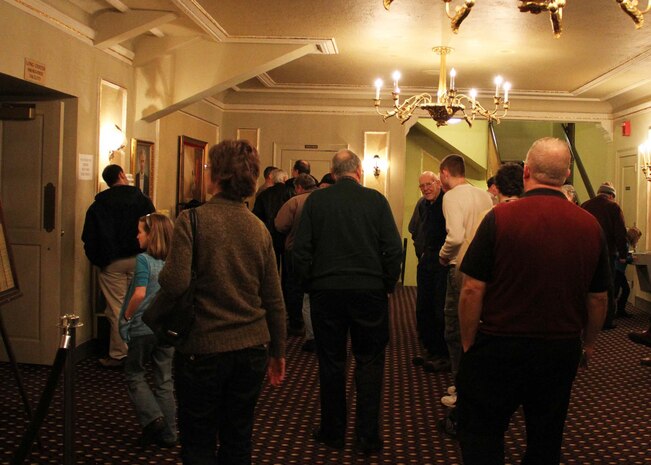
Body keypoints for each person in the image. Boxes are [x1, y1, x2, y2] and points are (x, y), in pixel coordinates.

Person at [455, 137, 609, 465]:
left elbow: (471, 288)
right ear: (567, 174)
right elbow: (597, 298)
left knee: (483, 431)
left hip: (500, 344)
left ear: (526, 171)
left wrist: (468, 342)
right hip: (560, 348)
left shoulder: (500, 218)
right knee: (545, 436)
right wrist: (589, 344)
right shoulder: (590, 226)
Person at [159, 140, 286, 465]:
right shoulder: (258, 228)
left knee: (198, 441)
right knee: (238, 438)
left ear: (217, 176)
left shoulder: (192, 220)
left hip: (203, 349)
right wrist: (278, 353)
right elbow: (274, 298)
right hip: (252, 350)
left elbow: (174, 283)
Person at [293, 149, 402, 454]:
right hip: (369, 291)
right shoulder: (376, 201)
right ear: (359, 171)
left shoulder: (316, 201)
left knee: (331, 362)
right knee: (369, 362)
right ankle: (367, 437)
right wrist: (387, 284)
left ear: (333, 171)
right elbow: (393, 249)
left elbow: (300, 251)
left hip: (326, 292)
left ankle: (333, 432)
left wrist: (310, 284)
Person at [82, 164, 155, 367]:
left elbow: (89, 237)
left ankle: (119, 353)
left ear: (107, 181)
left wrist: (100, 260)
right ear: (122, 175)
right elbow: (154, 229)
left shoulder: (98, 206)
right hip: (139, 259)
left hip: (112, 261)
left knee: (116, 308)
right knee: (138, 304)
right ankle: (138, 351)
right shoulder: (142, 201)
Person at [437, 154, 493, 413]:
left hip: (459, 266)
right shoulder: (483, 194)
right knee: (476, 327)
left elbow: (456, 236)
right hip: (482, 270)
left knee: (455, 328)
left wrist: (443, 254)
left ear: (445, 173)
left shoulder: (450, 196)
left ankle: (462, 387)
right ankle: (471, 383)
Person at [119, 213, 177, 448]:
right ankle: (170, 434)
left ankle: (154, 418)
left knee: (134, 373)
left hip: (144, 327)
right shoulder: (174, 261)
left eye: (141, 231)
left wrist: (126, 316)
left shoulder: (143, 260)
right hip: (166, 327)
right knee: (164, 380)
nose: (137, 235)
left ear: (151, 235)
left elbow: (140, 293)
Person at [408, 171, 449, 373]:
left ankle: (442, 355)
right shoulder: (423, 204)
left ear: (438, 182)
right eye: (422, 186)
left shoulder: (447, 202)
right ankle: (430, 350)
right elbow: (416, 229)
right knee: (423, 307)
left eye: (429, 184)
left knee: (438, 307)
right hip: (426, 261)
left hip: (442, 263)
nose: (425, 188)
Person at [274, 173, 318, 346]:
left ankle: (296, 322)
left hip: (295, 249)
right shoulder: (324, 199)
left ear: (298, 187)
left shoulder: (294, 202)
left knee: (294, 286)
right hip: (320, 251)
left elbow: (280, 225)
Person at [581, 182, 628, 326]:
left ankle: (586, 318)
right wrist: (623, 254)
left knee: (587, 286)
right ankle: (606, 321)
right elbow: (620, 233)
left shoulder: (585, 205)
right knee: (607, 287)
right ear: (611, 195)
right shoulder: (613, 207)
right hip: (607, 253)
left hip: (587, 252)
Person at [252, 169, 289, 270]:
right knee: (287, 266)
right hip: (287, 233)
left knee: (272, 265)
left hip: (269, 232)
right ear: (285, 178)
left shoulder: (264, 194)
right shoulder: (290, 192)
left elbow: (256, 215)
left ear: (273, 179)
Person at [614, 226, 642, 318]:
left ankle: (618, 311)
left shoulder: (624, 243)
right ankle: (615, 313)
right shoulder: (624, 244)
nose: (637, 240)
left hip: (618, 270)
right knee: (619, 291)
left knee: (622, 290)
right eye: (637, 238)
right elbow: (621, 258)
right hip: (617, 270)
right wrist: (630, 258)